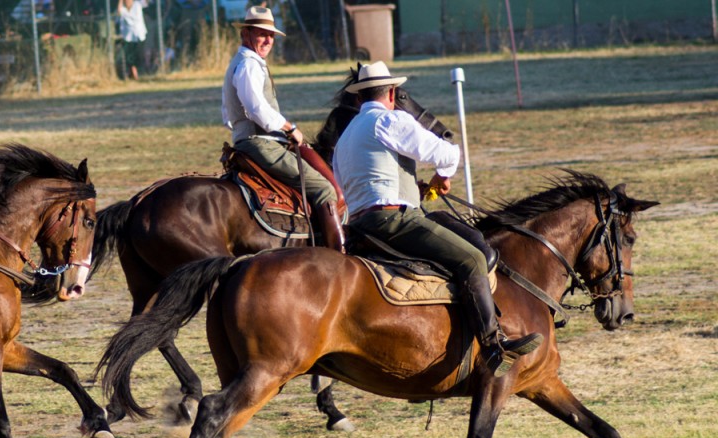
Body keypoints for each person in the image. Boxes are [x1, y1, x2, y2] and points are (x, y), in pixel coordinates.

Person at [332, 62, 543, 377]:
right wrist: (443, 178)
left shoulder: (346, 136)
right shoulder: (390, 120)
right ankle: (492, 346)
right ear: (391, 92)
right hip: (393, 221)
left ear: (360, 96)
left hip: (360, 225)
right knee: (472, 258)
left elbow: (358, 184)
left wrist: (409, 189)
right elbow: (447, 154)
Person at [222, 6, 344, 252]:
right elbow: (256, 107)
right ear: (245, 34)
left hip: (253, 139)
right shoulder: (249, 65)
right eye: (261, 34)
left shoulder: (244, 62)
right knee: (324, 189)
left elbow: (228, 113)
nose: (268, 40)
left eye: (271, 36)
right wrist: (289, 127)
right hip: (260, 142)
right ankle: (340, 255)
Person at [117, 0, 148, 80]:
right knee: (129, 57)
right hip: (128, 38)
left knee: (138, 56)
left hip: (139, 35)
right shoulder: (123, 9)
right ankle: (134, 74)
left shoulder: (137, 4)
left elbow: (146, 2)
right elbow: (119, 12)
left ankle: (136, 74)